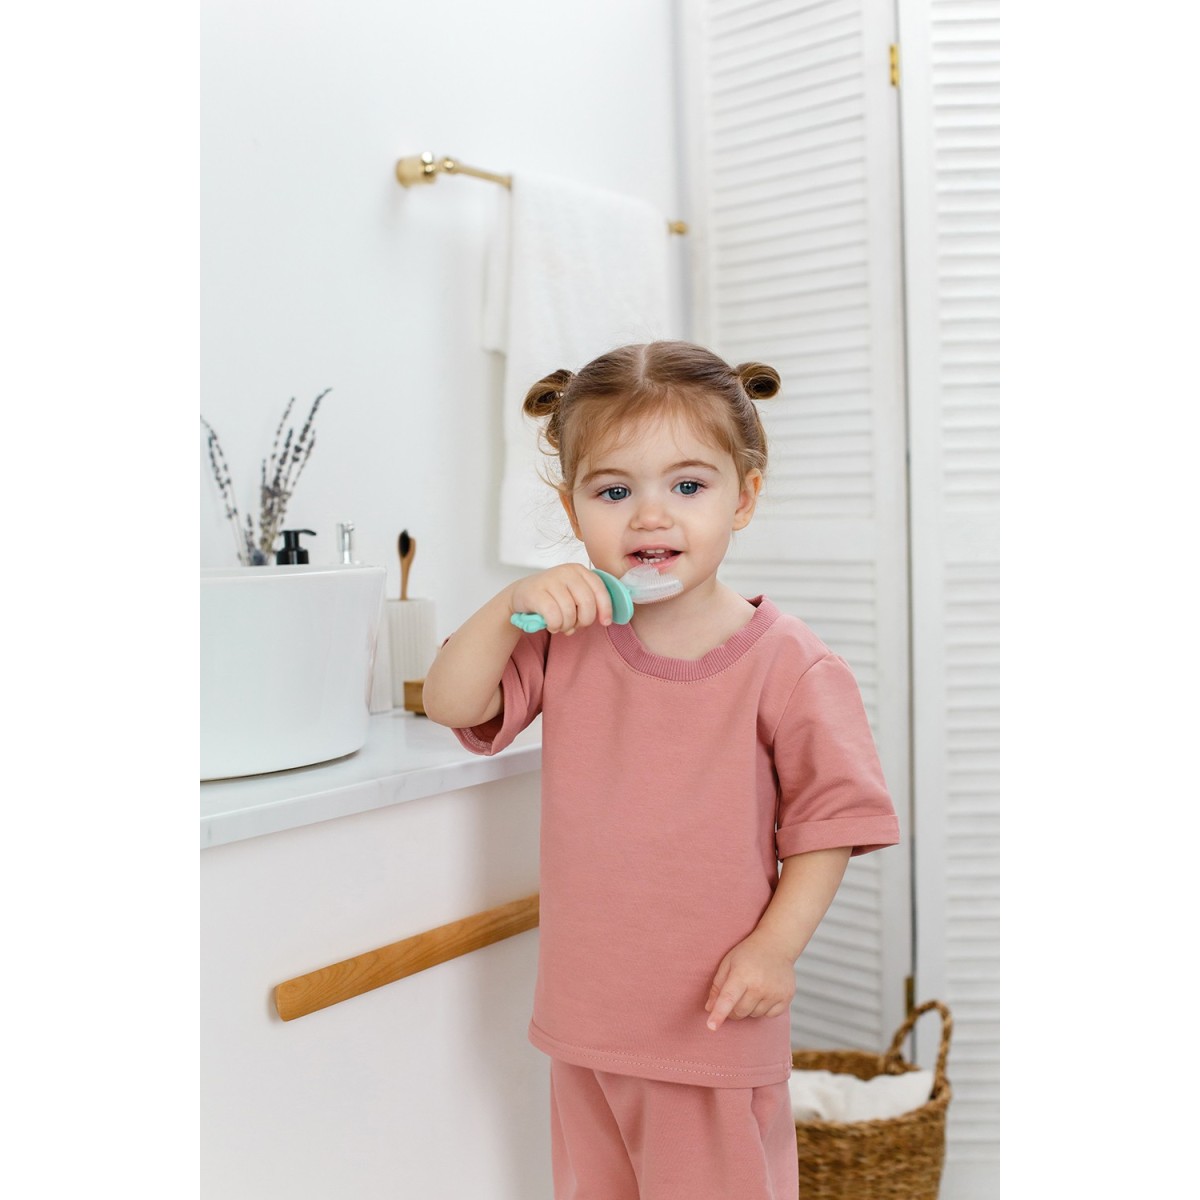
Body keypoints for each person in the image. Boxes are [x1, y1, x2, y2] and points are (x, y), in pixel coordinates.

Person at [423, 341, 899, 1200]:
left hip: (712, 1023)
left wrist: (775, 949)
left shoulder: (792, 666)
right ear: (572, 509)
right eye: (614, 492)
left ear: (743, 497)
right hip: (586, 1019)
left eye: (687, 486)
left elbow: (828, 829)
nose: (650, 517)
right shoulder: (565, 637)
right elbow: (451, 701)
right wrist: (509, 604)